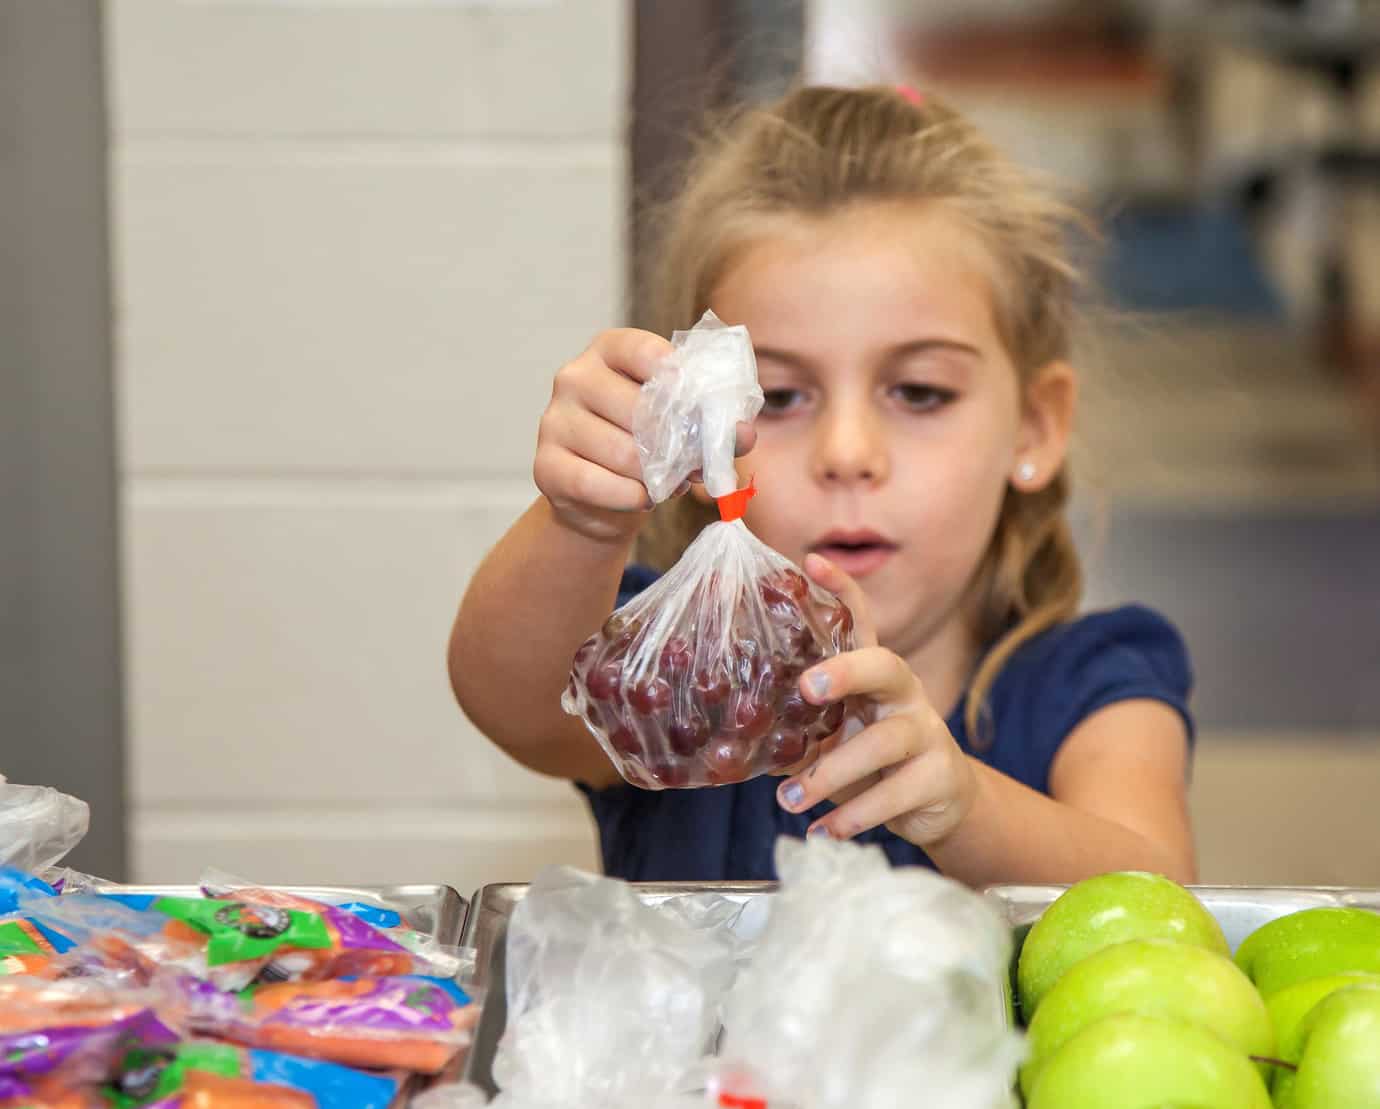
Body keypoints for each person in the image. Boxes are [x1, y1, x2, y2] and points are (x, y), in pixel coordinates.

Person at [449, 85, 1197, 886]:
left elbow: (1157, 888)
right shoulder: (686, 678)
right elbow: (512, 702)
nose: (847, 453)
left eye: (919, 392)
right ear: (706, 431)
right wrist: (585, 521)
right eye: (779, 397)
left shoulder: (1092, 679)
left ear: (1036, 427)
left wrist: (964, 803)